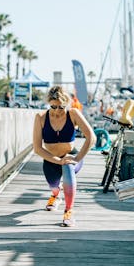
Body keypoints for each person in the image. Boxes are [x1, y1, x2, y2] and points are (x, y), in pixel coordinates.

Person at [33, 86, 96, 227]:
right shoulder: (41, 117)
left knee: (68, 165)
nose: (56, 111)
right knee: (53, 186)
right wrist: (58, 160)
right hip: (51, 160)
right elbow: (37, 148)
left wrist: (77, 159)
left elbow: (91, 138)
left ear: (66, 104)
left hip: (71, 157)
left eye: (61, 107)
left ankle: (69, 212)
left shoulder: (73, 114)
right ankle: (56, 195)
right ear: (49, 103)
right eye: (53, 107)